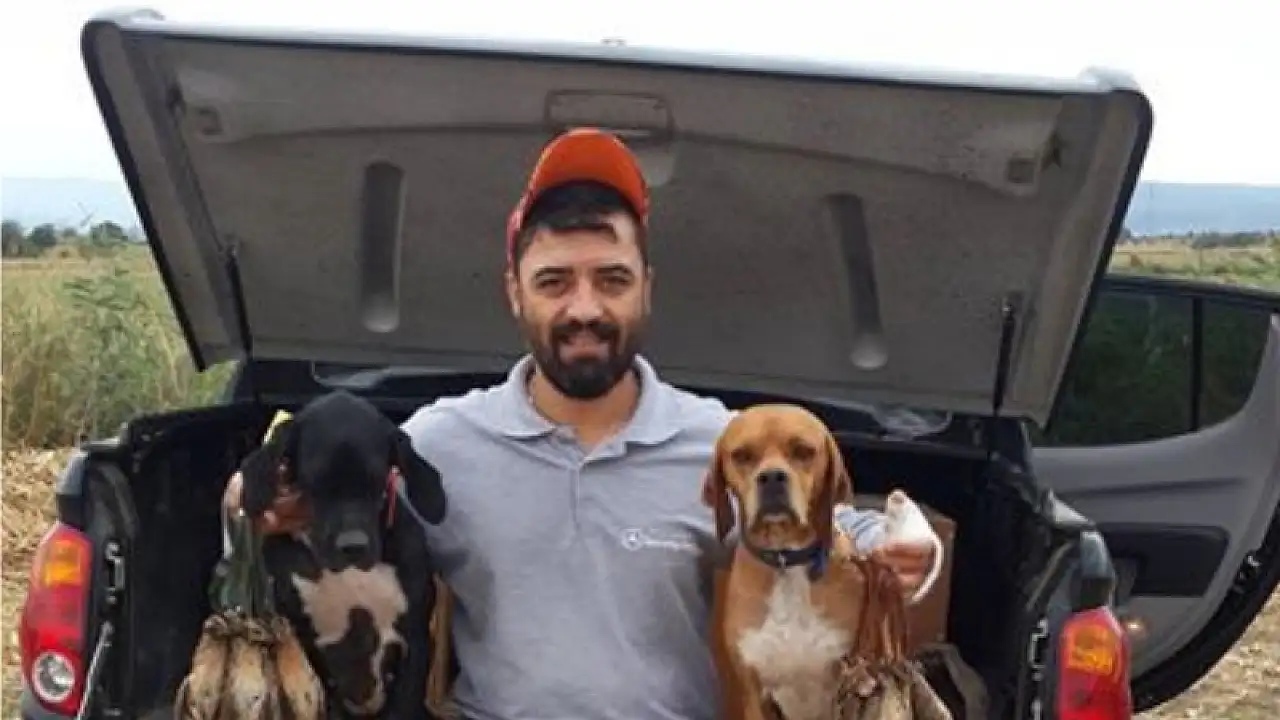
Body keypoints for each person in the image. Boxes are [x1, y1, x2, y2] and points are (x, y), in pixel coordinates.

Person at [222, 128, 940, 720]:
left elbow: (833, 522)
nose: (585, 308)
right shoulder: (443, 440)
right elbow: (334, 498)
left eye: (612, 280)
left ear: (646, 289)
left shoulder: (722, 443)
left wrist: (906, 540)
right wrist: (259, 505)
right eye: (555, 281)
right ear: (515, 292)